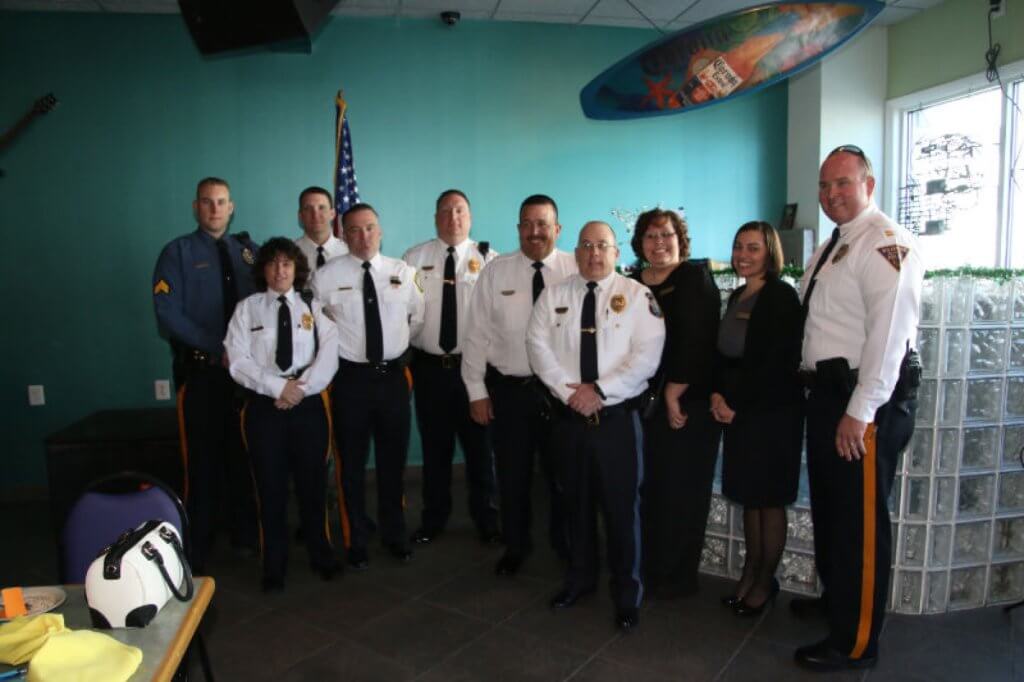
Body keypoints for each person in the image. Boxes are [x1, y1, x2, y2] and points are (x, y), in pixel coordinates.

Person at [793, 146, 923, 671]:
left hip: (863, 402)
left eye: (842, 184)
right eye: (824, 187)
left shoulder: (886, 244)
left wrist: (861, 410)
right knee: (833, 512)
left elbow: (890, 338)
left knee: (862, 525)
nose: (831, 195)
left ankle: (856, 641)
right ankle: (838, 604)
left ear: (869, 184)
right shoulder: (836, 244)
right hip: (829, 399)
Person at [526, 221, 665, 632]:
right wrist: (570, 393)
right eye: (586, 245)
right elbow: (538, 346)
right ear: (577, 250)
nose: (594, 253)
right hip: (569, 422)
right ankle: (580, 579)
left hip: (616, 423)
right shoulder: (554, 296)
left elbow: (647, 357)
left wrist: (600, 391)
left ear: (617, 252)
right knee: (574, 506)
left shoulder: (638, 297)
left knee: (622, 511)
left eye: (602, 245)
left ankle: (627, 593)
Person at [461, 194, 577, 576]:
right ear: (518, 229)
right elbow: (475, 333)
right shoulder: (496, 272)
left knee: (564, 475)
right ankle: (516, 545)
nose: (535, 231)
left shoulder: (576, 270)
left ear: (557, 229)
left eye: (543, 224)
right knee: (512, 476)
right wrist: (476, 391)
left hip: (562, 395)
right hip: (511, 390)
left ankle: (566, 544)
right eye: (527, 224)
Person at [152, 176, 259, 573]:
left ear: (231, 208)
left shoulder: (248, 252)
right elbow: (168, 315)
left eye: (222, 202)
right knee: (201, 460)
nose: (215, 209)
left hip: (245, 377)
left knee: (243, 455)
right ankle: (197, 546)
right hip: (202, 374)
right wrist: (221, 346)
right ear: (196, 208)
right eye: (207, 202)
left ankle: (246, 534)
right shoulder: (177, 253)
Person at [311, 203, 425, 570]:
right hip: (350, 382)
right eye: (355, 230)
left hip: (392, 379)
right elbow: (316, 327)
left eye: (370, 228)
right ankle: (355, 537)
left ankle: (395, 534)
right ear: (343, 234)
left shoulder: (403, 273)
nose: (363, 236)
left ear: (381, 231)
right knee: (352, 465)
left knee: (394, 463)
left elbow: (417, 320)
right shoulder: (326, 277)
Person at [224, 238, 341, 592]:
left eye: (287, 264)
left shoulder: (314, 307)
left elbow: (330, 353)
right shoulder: (248, 310)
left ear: (297, 269)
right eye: (273, 264)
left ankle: (321, 553)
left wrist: (299, 389)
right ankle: (274, 563)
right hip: (264, 409)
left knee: (313, 485)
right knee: (270, 489)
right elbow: (236, 358)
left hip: (307, 406)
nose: (280, 271)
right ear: (263, 270)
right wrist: (277, 389)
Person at [711, 221, 803, 616]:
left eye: (753, 248)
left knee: (769, 501)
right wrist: (716, 393)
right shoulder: (735, 297)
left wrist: (738, 405)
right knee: (751, 499)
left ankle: (765, 582)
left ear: (770, 253)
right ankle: (750, 573)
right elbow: (723, 355)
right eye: (738, 247)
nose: (743, 255)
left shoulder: (780, 296)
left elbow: (776, 365)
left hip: (770, 413)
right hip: (738, 412)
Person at [628, 209, 721, 599]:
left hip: (686, 404)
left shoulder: (694, 278)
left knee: (681, 490)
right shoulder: (629, 282)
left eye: (666, 235)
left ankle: (677, 576)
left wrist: (674, 391)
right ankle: (646, 567)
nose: (659, 243)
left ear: (680, 238)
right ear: (639, 243)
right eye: (650, 236)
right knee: (647, 488)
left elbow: (699, 340)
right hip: (638, 401)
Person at [402, 190, 500, 546]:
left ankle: (487, 518)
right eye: (445, 211)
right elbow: (406, 313)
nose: (453, 217)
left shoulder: (490, 259)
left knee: (480, 449)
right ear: (435, 217)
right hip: (430, 370)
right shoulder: (414, 258)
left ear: (470, 217)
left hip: (475, 369)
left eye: (459, 211)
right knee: (435, 448)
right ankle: (434, 518)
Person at [294, 186, 348, 272]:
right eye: (308, 209)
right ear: (300, 216)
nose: (315, 215)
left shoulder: (347, 252)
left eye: (321, 208)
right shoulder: (290, 255)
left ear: (332, 214)